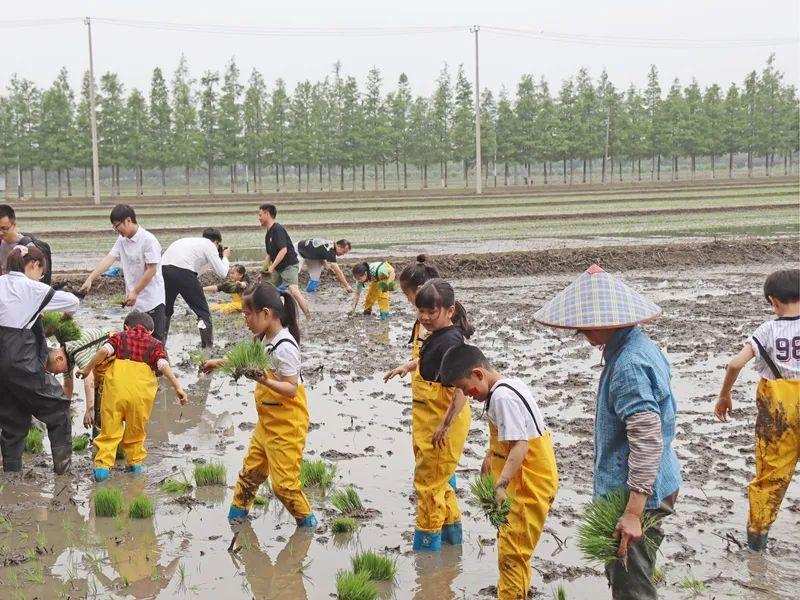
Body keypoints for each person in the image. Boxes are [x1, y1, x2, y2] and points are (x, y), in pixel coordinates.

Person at [534, 264, 681, 600]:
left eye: (585, 327)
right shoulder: (639, 347)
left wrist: (632, 513)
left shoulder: (629, 365)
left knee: (631, 586)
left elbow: (646, 438)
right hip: (650, 484)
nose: (582, 334)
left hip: (636, 496)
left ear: (605, 321)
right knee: (633, 576)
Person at [439, 344, 559, 600]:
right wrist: (489, 459)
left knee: (512, 551)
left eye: (464, 387)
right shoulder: (505, 387)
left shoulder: (502, 398)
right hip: (526, 477)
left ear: (479, 374)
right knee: (515, 548)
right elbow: (508, 436)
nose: (466, 394)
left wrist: (500, 484)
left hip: (529, 482)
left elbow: (520, 444)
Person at [202, 283, 317, 529]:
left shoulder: (285, 346)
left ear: (266, 313)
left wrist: (264, 379)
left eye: (248, 314)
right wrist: (217, 362)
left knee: (284, 485)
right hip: (267, 423)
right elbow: (244, 361)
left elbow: (291, 388)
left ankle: (308, 525)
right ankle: (236, 519)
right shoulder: (264, 339)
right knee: (250, 472)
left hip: (287, 424)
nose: (245, 320)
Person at [715, 268, 800, 552]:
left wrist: (724, 395)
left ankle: (756, 545)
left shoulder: (768, 330)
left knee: (770, 477)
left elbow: (734, 364)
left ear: (774, 301)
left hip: (779, 407)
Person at [385, 278, 473, 551]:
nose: (424, 317)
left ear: (450, 310)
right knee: (439, 481)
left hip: (441, 421)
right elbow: (428, 361)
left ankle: (427, 555)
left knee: (428, 486)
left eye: (431, 312)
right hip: (430, 418)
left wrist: (445, 426)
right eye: (420, 311)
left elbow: (463, 390)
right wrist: (408, 366)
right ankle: (451, 539)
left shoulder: (452, 342)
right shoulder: (439, 336)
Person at [78, 310, 187, 482]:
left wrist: (87, 369)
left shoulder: (120, 337)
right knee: (136, 432)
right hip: (141, 396)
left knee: (109, 432)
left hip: (115, 392)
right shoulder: (155, 344)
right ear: (151, 331)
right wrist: (178, 387)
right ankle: (135, 468)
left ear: (126, 327)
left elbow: (103, 352)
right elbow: (163, 364)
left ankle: (102, 471)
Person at [0, 245, 79, 474]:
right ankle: (63, 472)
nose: (40, 277)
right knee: (58, 408)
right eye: (41, 272)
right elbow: (73, 302)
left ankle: (12, 475)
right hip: (20, 362)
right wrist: (39, 305)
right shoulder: (32, 288)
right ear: (33, 265)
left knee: (12, 419)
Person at [79, 204, 167, 341]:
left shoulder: (148, 240)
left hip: (152, 301)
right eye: (114, 226)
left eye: (117, 225)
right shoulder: (122, 240)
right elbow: (109, 259)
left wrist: (136, 291)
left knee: (155, 345)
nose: (116, 229)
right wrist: (91, 278)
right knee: (133, 344)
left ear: (128, 220)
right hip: (135, 303)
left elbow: (151, 270)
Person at [161, 228, 231, 347]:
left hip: (164, 270)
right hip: (184, 272)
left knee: (165, 309)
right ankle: (207, 347)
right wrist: (224, 257)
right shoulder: (210, 245)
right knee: (202, 311)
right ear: (217, 242)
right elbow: (223, 273)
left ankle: (160, 344)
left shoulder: (190, 242)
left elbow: (196, 271)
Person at [46, 326, 114, 437]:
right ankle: (100, 437)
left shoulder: (76, 351)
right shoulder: (66, 353)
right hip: (102, 357)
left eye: (55, 371)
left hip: (113, 349)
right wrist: (63, 410)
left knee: (104, 401)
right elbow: (68, 386)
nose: (56, 374)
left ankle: (105, 438)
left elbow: (89, 379)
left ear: (59, 359)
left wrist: (89, 409)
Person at [257, 203, 311, 318]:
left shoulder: (278, 229)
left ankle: (308, 316)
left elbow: (283, 250)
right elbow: (269, 254)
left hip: (289, 265)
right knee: (267, 289)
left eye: (260, 215)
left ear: (267, 214)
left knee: (293, 290)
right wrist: (262, 271)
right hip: (278, 268)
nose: (259, 218)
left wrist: (271, 268)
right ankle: (277, 316)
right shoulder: (268, 233)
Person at [0, 204, 53, 283]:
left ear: (14, 225)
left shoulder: (29, 247)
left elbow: (34, 282)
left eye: (4, 228)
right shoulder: (1, 244)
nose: (0, 232)